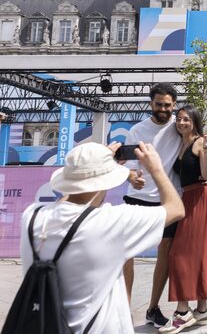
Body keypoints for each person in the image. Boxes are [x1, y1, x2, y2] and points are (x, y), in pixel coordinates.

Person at [20, 142, 184, 334]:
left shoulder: (31, 216)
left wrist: (90, 168)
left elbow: (67, 202)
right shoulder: (110, 222)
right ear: (104, 183)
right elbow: (176, 209)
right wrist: (156, 168)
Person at [123, 82, 183, 327]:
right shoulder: (137, 130)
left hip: (167, 201)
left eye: (167, 105)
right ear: (151, 104)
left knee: (165, 253)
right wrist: (130, 175)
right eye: (159, 104)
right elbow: (125, 163)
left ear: (174, 105)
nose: (163, 109)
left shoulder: (179, 128)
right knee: (126, 253)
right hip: (137, 199)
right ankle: (124, 310)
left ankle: (153, 308)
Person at [160, 105, 207, 333]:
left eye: (186, 119)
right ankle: (202, 310)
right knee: (198, 254)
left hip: (201, 198)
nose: (181, 123)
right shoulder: (182, 143)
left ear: (195, 121)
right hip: (189, 198)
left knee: (181, 254)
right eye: (178, 119)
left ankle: (182, 311)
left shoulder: (199, 142)